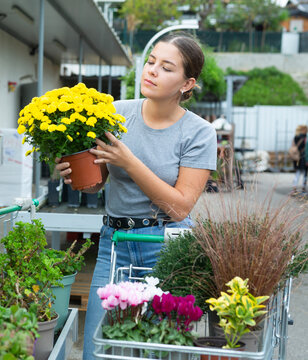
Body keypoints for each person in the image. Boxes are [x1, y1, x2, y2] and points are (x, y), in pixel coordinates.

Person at [55, 32, 217, 359]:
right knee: (99, 350)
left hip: (166, 246)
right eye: (151, 61)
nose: (152, 71)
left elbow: (181, 204)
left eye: (166, 68)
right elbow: (96, 184)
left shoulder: (199, 133)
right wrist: (74, 174)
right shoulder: (116, 113)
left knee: (160, 350)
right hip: (115, 242)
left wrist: (129, 160)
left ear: (187, 84)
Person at [290, 124, 307, 195]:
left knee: (298, 172)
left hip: (296, 157)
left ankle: (294, 188)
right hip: (303, 157)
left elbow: (293, 146)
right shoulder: (305, 137)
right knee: (305, 173)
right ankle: (303, 188)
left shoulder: (295, 137)